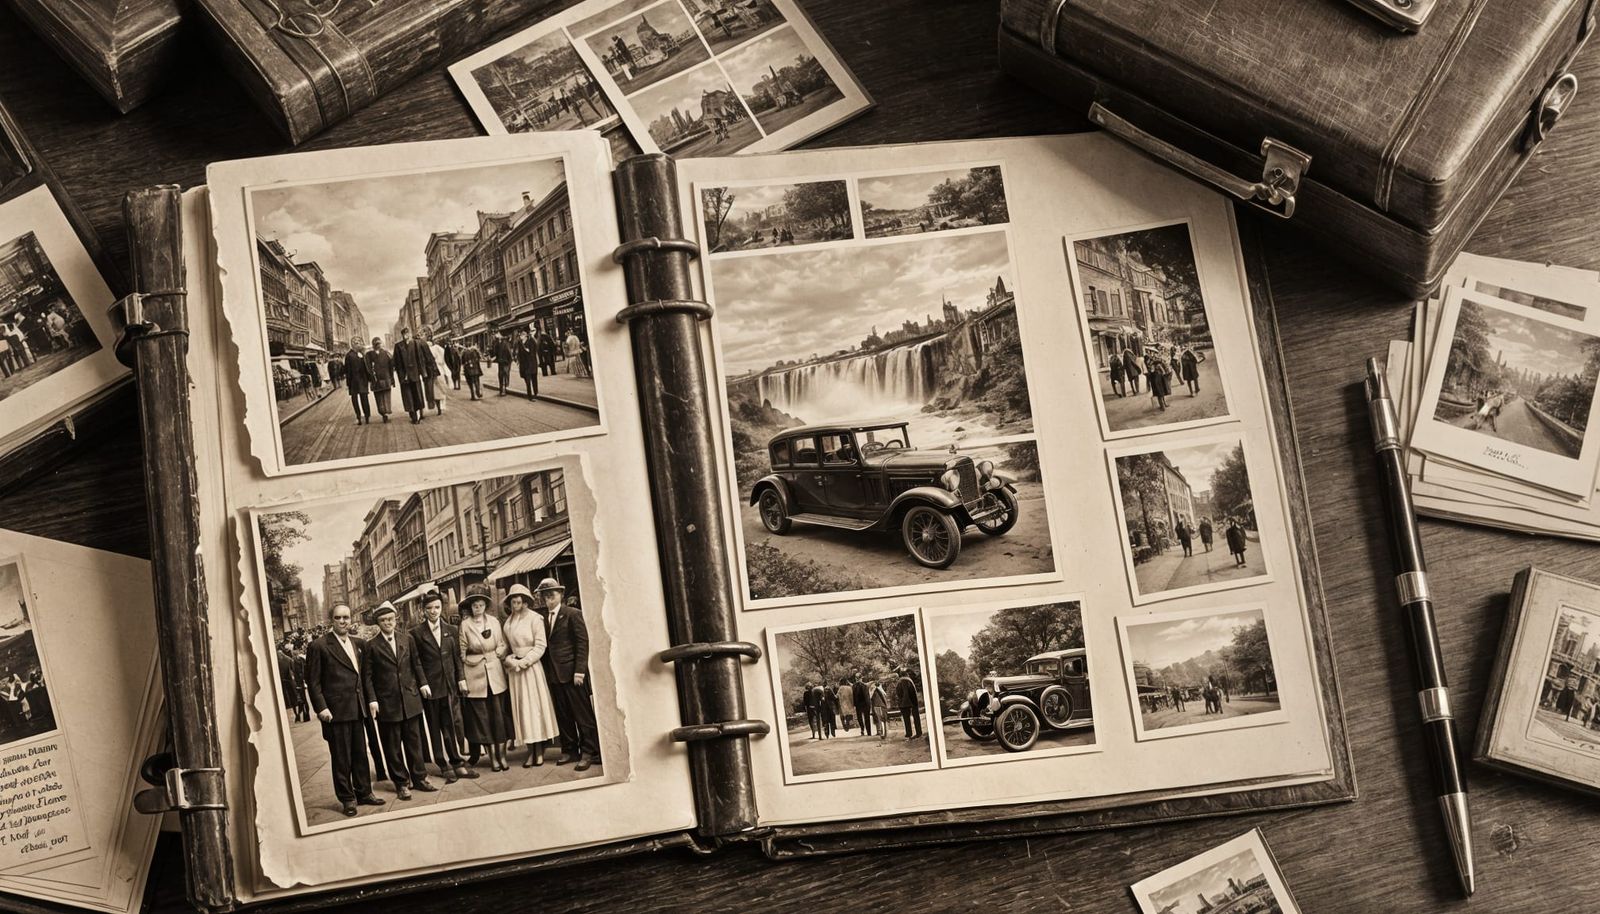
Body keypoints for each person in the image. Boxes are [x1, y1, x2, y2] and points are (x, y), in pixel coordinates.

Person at [304, 604, 384, 817]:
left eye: (346, 617)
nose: (343, 621)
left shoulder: (359, 643)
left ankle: (364, 792)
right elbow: (313, 682)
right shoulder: (319, 646)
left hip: (357, 709)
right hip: (336, 713)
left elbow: (364, 676)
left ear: (351, 619)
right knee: (341, 758)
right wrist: (321, 708)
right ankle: (347, 798)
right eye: (338, 618)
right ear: (331, 620)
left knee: (360, 753)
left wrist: (369, 701)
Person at [361, 602, 437, 799]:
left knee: (414, 742)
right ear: (378, 623)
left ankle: (419, 778)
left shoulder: (407, 639)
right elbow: (367, 676)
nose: (388, 623)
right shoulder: (372, 645)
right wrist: (372, 699)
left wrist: (423, 683)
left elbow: (416, 663)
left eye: (391, 619)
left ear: (396, 619)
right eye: (383, 620)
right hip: (387, 703)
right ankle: (401, 782)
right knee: (392, 745)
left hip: (410, 699)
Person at [535, 578, 601, 770]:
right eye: (545, 596)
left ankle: (590, 752)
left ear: (561, 595)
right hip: (554, 675)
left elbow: (582, 643)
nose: (549, 599)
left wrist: (580, 671)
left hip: (573, 674)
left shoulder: (572, 614)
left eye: (552, 595)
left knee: (582, 714)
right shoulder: (543, 619)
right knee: (563, 714)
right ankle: (570, 750)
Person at [411, 592, 476, 784]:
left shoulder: (451, 630)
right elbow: (416, 663)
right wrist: (423, 682)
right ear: (424, 610)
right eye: (429, 608)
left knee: (449, 724)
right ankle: (443, 764)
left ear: (442, 608)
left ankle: (456, 761)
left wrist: (461, 679)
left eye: (437, 607)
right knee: (434, 726)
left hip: (448, 685)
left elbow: (456, 658)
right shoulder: (416, 633)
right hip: (430, 688)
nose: (433, 611)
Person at [502, 583, 561, 767]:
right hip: (515, 673)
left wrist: (524, 662)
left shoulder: (535, 619)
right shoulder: (508, 622)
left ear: (526, 600)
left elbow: (540, 646)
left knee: (534, 708)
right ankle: (530, 750)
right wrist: (508, 660)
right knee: (522, 710)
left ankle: (539, 750)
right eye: (513, 598)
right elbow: (505, 646)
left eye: (520, 598)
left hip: (531, 670)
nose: (516, 601)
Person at [457, 586, 513, 771]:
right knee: (483, 719)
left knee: (499, 716)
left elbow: (503, 643)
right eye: (475, 605)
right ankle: (493, 760)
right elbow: (462, 652)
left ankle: (502, 756)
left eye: (481, 604)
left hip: (495, 673)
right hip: (476, 676)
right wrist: (476, 658)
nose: (478, 608)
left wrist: (498, 652)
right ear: (470, 607)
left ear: (485, 605)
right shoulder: (465, 625)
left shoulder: (495, 622)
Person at [392, 327, 433, 424]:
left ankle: (420, 413)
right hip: (404, 376)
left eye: (408, 333)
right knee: (408, 396)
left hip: (415, 373)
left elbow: (420, 359)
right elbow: (397, 362)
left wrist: (423, 373)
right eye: (404, 334)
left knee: (417, 394)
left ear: (410, 334)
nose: (407, 335)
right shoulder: (398, 346)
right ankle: (413, 415)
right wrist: (401, 376)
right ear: (402, 335)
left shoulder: (415, 343)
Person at [365, 337, 395, 422]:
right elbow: (368, 368)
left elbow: (391, 366)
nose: (378, 345)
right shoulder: (369, 355)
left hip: (386, 379)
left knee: (386, 396)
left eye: (379, 344)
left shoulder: (386, 353)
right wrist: (372, 378)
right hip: (376, 380)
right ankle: (383, 413)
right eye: (376, 344)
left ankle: (386, 412)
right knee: (379, 398)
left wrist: (392, 379)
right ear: (373, 345)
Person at [343, 338, 372, 425]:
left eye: (359, 342)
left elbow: (367, 367)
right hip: (354, 381)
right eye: (356, 343)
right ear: (352, 344)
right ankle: (358, 416)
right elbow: (347, 370)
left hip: (363, 381)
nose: (358, 344)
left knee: (364, 399)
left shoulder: (362, 354)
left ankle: (367, 416)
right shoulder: (349, 355)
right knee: (355, 400)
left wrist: (369, 379)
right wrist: (348, 383)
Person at [423, 329, 447, 415]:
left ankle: (438, 407)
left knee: (434, 390)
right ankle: (441, 406)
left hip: (433, 372)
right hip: (437, 371)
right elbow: (444, 356)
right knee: (440, 389)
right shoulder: (437, 348)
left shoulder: (428, 350)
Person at [894, 668, 923, 739]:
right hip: (912, 701)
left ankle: (911, 733)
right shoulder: (908, 680)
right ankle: (915, 733)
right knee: (915, 717)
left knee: (907, 718)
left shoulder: (903, 680)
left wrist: (903, 703)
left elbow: (906, 693)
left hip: (907, 702)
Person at [516, 329, 540, 399]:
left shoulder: (531, 341)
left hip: (531, 364)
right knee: (527, 380)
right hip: (524, 365)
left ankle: (535, 393)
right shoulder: (520, 343)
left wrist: (528, 351)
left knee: (534, 379)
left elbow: (533, 351)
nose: (521, 336)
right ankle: (529, 395)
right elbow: (519, 353)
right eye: (520, 335)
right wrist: (518, 360)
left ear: (526, 335)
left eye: (522, 335)